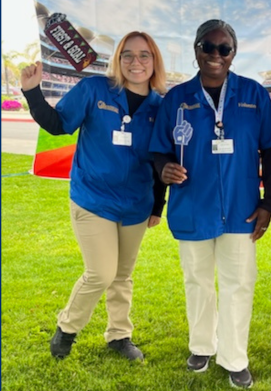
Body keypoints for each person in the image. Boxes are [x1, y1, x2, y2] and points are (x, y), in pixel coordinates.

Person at [20, 31, 167, 361]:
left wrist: (158, 204)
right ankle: (68, 328)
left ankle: (119, 335)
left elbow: (160, 159)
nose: (135, 62)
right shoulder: (94, 89)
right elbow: (58, 124)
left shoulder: (161, 106)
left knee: (122, 276)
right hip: (93, 198)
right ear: (117, 59)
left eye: (144, 55)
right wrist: (32, 93)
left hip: (136, 205)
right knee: (100, 272)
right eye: (127, 54)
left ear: (155, 61)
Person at [149, 19, 271, 388]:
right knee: (197, 281)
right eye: (208, 46)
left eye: (224, 49)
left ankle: (235, 357)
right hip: (192, 208)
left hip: (242, 210)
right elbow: (159, 150)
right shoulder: (177, 99)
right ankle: (202, 345)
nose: (215, 55)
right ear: (196, 50)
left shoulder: (254, 96)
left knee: (239, 283)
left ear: (234, 54)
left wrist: (269, 202)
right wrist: (165, 169)